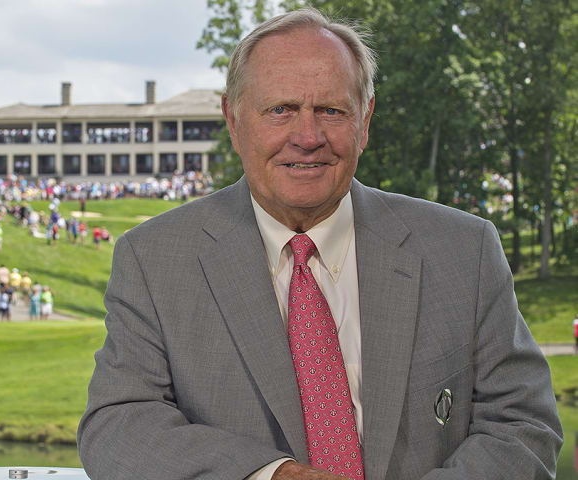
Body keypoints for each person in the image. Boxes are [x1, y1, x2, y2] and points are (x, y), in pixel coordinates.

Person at [78, 8, 561, 480]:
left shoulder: (464, 250)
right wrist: (271, 475)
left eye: (331, 111)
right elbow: (118, 426)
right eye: (280, 110)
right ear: (233, 118)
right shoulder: (155, 259)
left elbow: (523, 425)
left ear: (365, 120)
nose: (307, 137)